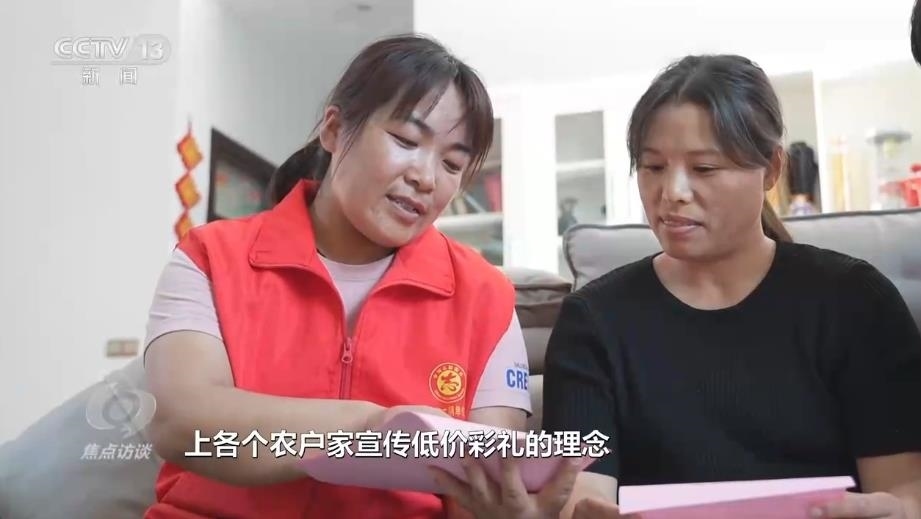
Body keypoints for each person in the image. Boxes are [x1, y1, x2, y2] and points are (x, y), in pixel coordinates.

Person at [143, 34, 580, 519]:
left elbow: (484, 486)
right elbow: (183, 424)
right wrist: (372, 429)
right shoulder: (210, 258)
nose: (426, 177)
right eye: (406, 141)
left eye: (452, 163)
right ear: (334, 130)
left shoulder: (486, 297)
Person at [541, 54, 921, 519]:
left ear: (772, 168)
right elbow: (583, 494)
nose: (672, 192)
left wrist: (895, 512)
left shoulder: (856, 302)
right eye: (653, 166)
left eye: (704, 168)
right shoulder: (593, 321)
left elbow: (903, 488)